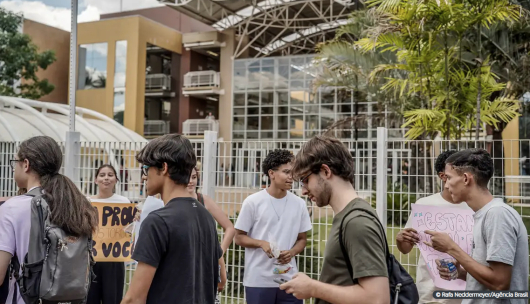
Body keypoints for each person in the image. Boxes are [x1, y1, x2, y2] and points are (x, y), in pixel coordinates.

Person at [280, 135, 389, 304]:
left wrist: (313, 288)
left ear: (325, 171)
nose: (303, 191)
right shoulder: (348, 216)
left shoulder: (357, 222)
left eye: (305, 180)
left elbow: (377, 299)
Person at [121, 134, 222, 304]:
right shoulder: (206, 216)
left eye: (147, 168)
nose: (144, 176)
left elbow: (135, 298)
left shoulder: (157, 221)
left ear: (164, 168)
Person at [0, 136, 98, 304]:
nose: (13, 167)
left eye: (15, 161)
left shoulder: (12, 208)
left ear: (26, 164)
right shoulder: (75, 204)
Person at [425, 149, 528, 303]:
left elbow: (500, 283)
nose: (446, 185)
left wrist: (451, 248)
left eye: (449, 178)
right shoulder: (485, 214)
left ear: (466, 179)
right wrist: (460, 272)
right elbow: (487, 278)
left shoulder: (497, 215)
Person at [235, 149, 312, 304]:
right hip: (258, 281)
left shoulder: (299, 204)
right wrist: (261, 243)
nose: (291, 177)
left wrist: (291, 252)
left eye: (293, 173)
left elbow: (302, 240)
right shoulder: (253, 202)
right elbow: (238, 237)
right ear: (271, 173)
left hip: (290, 280)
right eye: (286, 172)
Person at [396, 150, 471, 304]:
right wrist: (400, 238)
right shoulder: (424, 206)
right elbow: (405, 248)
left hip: (467, 294)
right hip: (430, 294)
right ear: (443, 176)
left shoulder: (473, 206)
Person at [87, 164, 131, 304]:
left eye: (110, 175)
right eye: (102, 175)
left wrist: (134, 220)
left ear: (116, 180)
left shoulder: (124, 203)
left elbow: (128, 232)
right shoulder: (87, 202)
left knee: (112, 299)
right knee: (90, 299)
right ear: (95, 180)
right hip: (91, 259)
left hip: (114, 259)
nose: (106, 178)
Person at [188, 167, 234, 295]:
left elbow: (230, 228)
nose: (190, 181)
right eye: (187, 177)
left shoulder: (204, 200)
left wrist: (219, 252)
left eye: (193, 177)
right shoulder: (169, 202)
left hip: (205, 264)